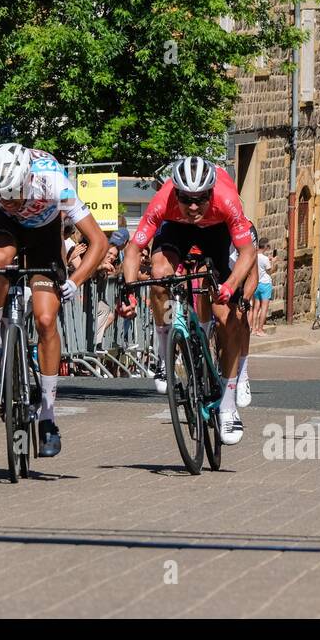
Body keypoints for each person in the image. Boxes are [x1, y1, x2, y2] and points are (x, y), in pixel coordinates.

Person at [0, 142, 108, 458]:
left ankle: (47, 414)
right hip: (2, 226)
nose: (10, 201)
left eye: (14, 194)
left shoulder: (52, 179)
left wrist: (75, 281)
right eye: (2, 195)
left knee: (46, 319)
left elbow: (98, 240)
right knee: (0, 258)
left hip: (44, 231)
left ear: (27, 179)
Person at [119, 156, 257, 446]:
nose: (193, 207)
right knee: (159, 275)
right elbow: (134, 249)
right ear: (175, 193)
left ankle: (228, 405)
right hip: (175, 229)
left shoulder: (227, 199)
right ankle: (164, 351)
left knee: (226, 319)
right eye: (186, 199)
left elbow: (247, 254)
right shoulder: (163, 201)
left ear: (211, 192)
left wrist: (231, 286)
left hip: (217, 232)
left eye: (200, 199)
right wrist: (128, 290)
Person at [252, 238, 274, 335]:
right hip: (265, 284)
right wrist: (273, 261)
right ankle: (260, 330)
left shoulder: (254, 256)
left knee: (256, 307)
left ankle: (253, 329)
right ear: (265, 246)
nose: (268, 248)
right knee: (264, 307)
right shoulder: (265, 259)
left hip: (256, 284)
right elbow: (270, 271)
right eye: (268, 246)